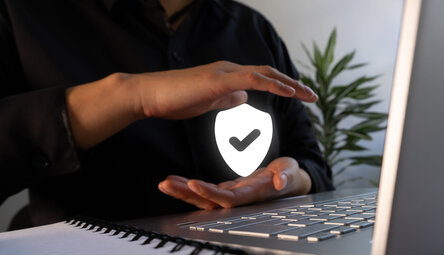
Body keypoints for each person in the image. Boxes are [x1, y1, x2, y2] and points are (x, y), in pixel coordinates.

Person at [0, 0, 334, 229]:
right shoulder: (24, 13)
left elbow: (312, 164)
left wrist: (290, 181)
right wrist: (129, 95)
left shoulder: (252, 29)